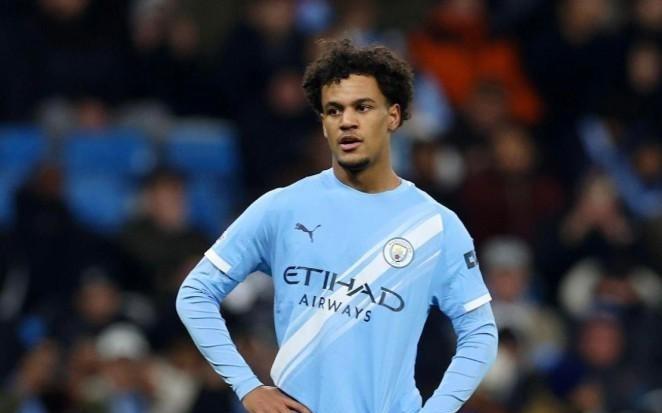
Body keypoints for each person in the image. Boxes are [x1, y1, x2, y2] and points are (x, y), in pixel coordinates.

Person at [176, 39, 498, 413]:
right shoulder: (283, 207)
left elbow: (480, 331)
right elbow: (195, 293)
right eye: (334, 110)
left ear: (393, 116)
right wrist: (248, 387)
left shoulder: (436, 226)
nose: (347, 121)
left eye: (363, 107)